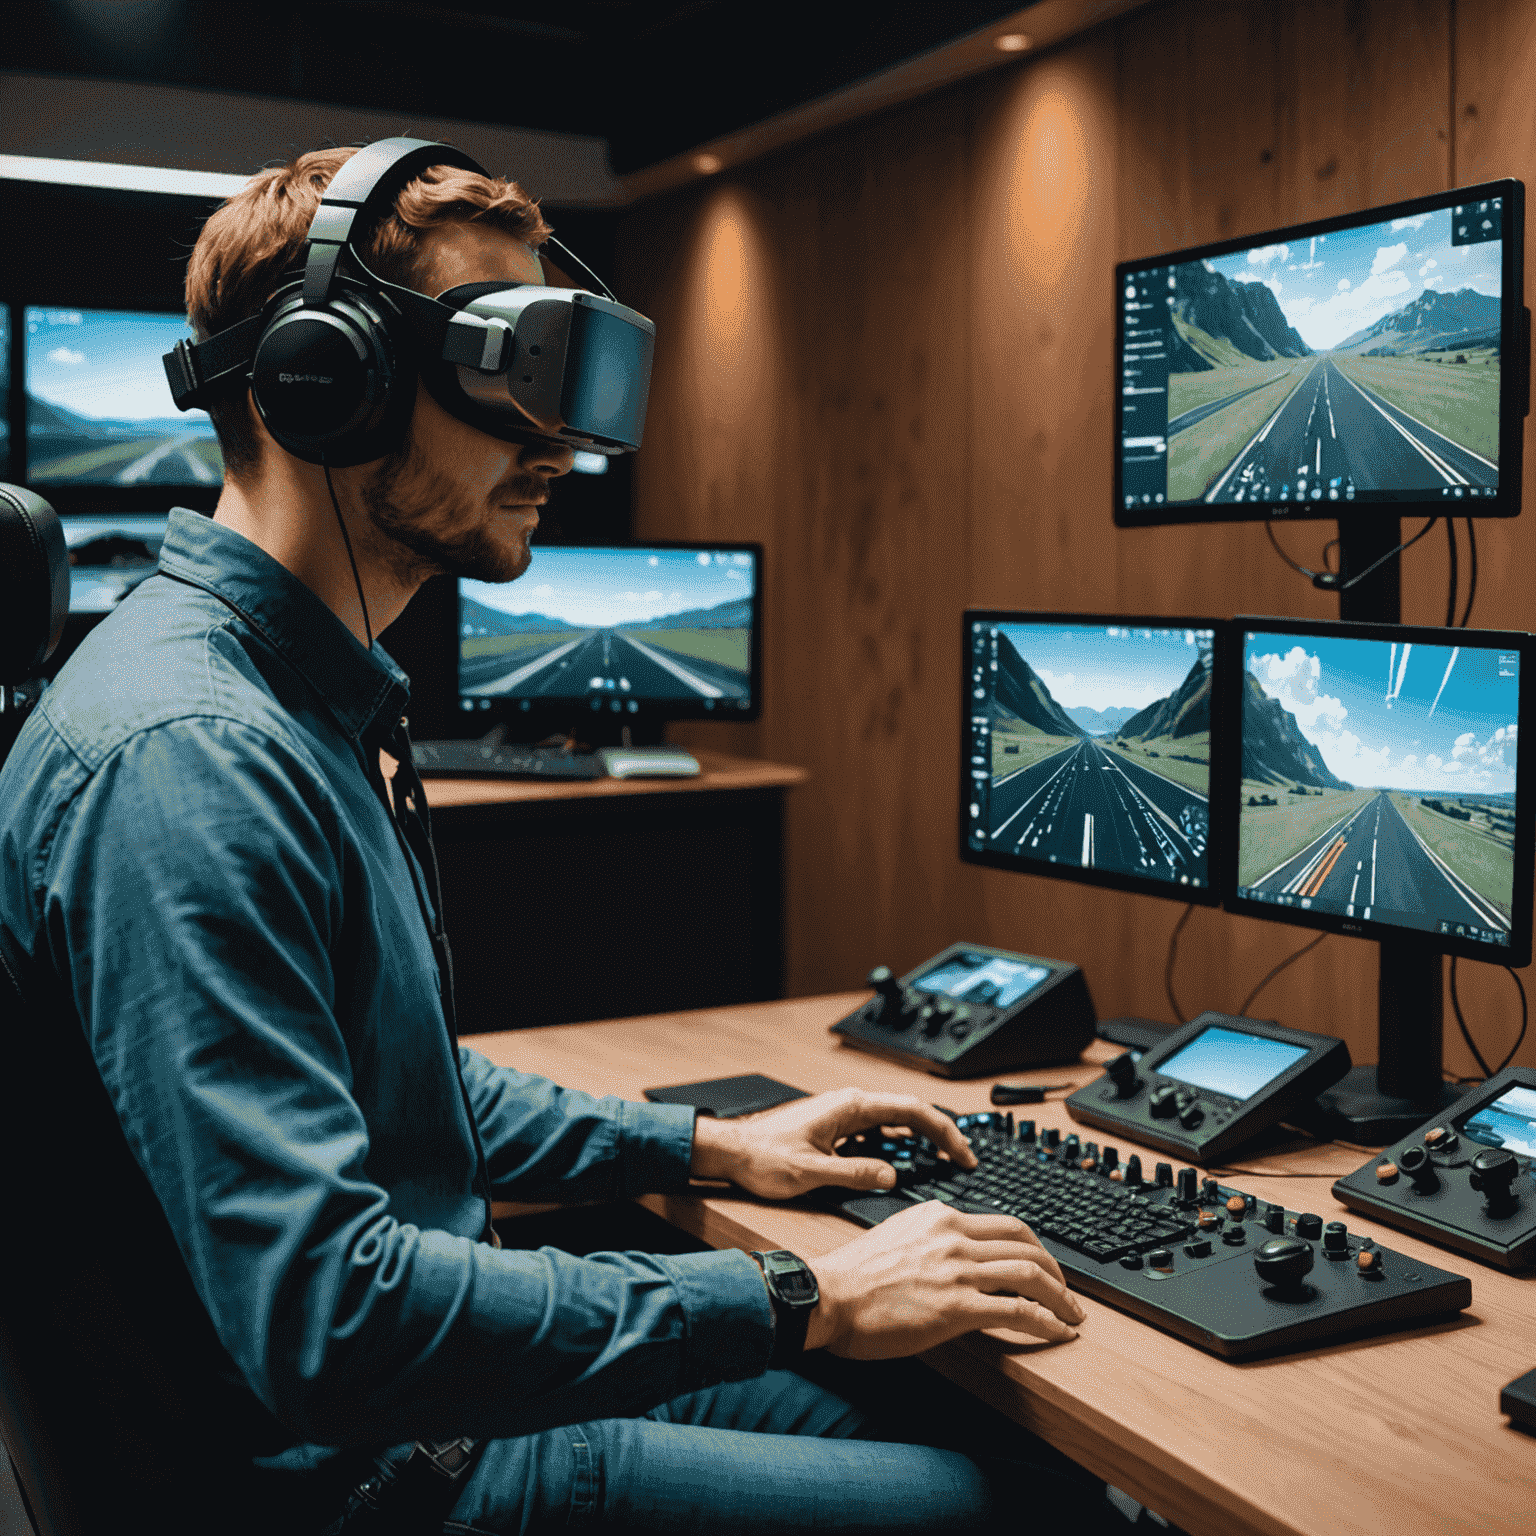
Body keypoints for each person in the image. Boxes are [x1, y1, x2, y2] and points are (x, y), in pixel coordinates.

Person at [0, 146, 1126, 1535]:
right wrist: (805, 1291)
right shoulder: (194, 761)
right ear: (321, 383)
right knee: (1029, 1514)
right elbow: (333, 1322)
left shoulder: (277, 699)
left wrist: (711, 1145)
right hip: (378, 1471)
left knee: (1008, 1454)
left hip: (426, 1416)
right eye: (500, 370)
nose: (560, 445)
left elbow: (396, 1087)